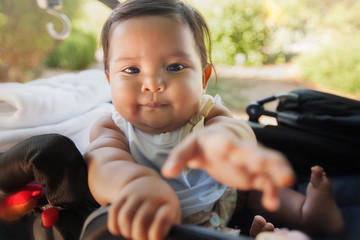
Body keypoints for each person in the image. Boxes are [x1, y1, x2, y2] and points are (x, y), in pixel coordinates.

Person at [84, 0, 344, 239]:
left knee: (253, 185)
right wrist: (134, 185)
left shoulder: (205, 113)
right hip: (154, 221)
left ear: (203, 78)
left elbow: (235, 130)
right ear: (109, 79)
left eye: (174, 67)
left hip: (222, 201)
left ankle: (306, 213)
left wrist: (223, 143)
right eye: (132, 70)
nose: (153, 83)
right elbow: (103, 164)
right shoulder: (112, 127)